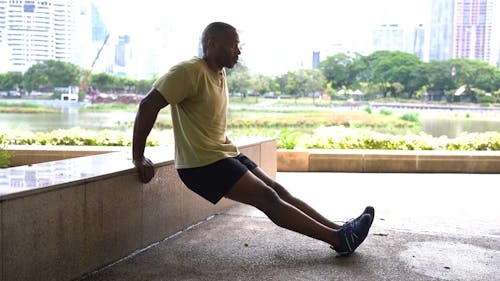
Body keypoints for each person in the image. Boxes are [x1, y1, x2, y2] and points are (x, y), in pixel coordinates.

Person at [132, 22, 374, 256]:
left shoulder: (219, 72)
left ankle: (339, 229)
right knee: (266, 198)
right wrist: (139, 156)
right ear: (213, 44)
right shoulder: (187, 71)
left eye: (239, 46)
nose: (238, 51)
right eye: (233, 45)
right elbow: (148, 105)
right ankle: (339, 240)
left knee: (277, 190)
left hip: (224, 153)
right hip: (202, 164)